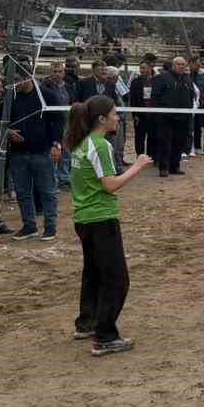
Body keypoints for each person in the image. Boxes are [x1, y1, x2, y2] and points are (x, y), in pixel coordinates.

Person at [66, 95, 152, 356]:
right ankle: (105, 336)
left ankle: (87, 322)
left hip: (84, 218)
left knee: (93, 273)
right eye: (114, 113)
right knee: (116, 279)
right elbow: (110, 184)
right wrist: (138, 166)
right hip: (99, 218)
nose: (118, 117)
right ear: (101, 119)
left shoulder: (82, 143)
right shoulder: (99, 144)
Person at [7, 73, 63, 241]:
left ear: (28, 77)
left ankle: (50, 227)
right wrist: (8, 132)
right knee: (22, 192)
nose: (16, 84)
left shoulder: (47, 95)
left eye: (18, 80)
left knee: (47, 191)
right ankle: (29, 226)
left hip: (42, 151)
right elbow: (2, 121)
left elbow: (59, 121)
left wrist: (56, 144)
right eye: (13, 80)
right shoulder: (11, 96)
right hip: (18, 153)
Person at [151, 57, 194, 177]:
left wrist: (189, 114)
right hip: (166, 117)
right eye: (179, 64)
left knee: (179, 142)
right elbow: (155, 96)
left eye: (183, 64)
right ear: (173, 65)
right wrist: (157, 113)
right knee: (165, 142)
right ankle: (163, 167)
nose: (181, 66)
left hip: (183, 117)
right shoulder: (162, 78)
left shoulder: (188, 79)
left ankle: (174, 166)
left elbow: (191, 97)